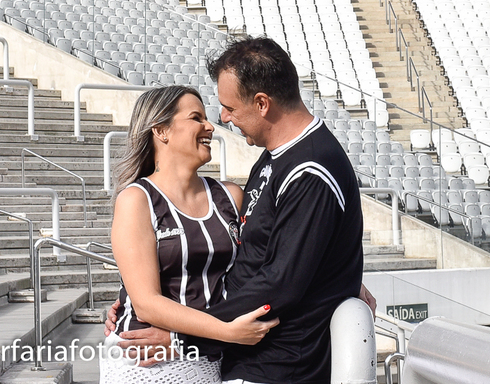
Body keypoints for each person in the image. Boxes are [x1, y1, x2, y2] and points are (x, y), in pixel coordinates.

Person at [108, 37, 368, 384]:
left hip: (270, 363)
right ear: (161, 131)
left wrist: (185, 338)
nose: (221, 120)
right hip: (210, 355)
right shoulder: (270, 160)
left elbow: (282, 280)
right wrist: (132, 296)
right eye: (199, 116)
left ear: (262, 103)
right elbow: (259, 255)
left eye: (228, 107)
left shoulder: (306, 170)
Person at [102, 85, 279, 384]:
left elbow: (276, 255)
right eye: (196, 117)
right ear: (162, 131)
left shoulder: (231, 196)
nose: (210, 126)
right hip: (145, 359)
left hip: (210, 357)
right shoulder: (136, 200)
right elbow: (146, 302)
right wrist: (227, 331)